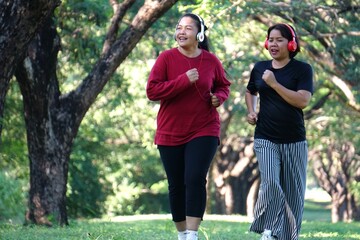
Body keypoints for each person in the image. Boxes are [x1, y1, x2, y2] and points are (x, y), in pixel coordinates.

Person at [146, 13, 231, 240]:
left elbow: (224, 85)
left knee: (194, 177)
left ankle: (192, 234)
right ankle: (182, 234)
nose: (181, 32)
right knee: (176, 184)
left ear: (199, 34)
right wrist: (184, 80)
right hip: (170, 130)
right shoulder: (166, 58)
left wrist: (219, 98)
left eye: (188, 28)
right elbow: (152, 91)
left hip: (204, 128)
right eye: (179, 27)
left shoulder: (211, 60)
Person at [245, 23, 313, 240]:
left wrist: (274, 84)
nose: (273, 44)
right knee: (271, 182)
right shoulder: (259, 67)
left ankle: (286, 236)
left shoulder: (302, 69)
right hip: (265, 136)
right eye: (271, 39)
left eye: (279, 40)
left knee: (293, 194)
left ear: (291, 43)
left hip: (294, 139)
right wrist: (251, 111)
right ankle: (270, 229)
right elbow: (250, 91)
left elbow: (303, 100)